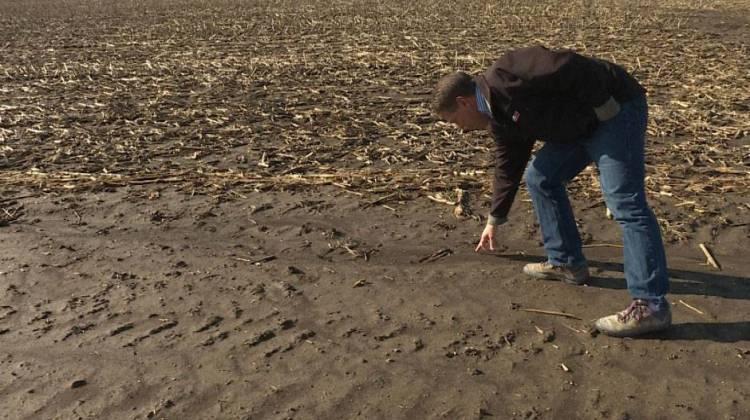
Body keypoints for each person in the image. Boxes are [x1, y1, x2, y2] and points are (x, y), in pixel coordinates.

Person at [432, 46, 670, 337]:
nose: (460, 129)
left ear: (464, 102)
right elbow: (509, 165)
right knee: (540, 178)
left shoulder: (509, 72)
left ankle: (650, 307)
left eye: (453, 121)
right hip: (580, 126)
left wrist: (602, 102)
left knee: (625, 204)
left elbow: (571, 64)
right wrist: (495, 218)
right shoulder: (498, 119)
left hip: (613, 112)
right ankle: (566, 262)